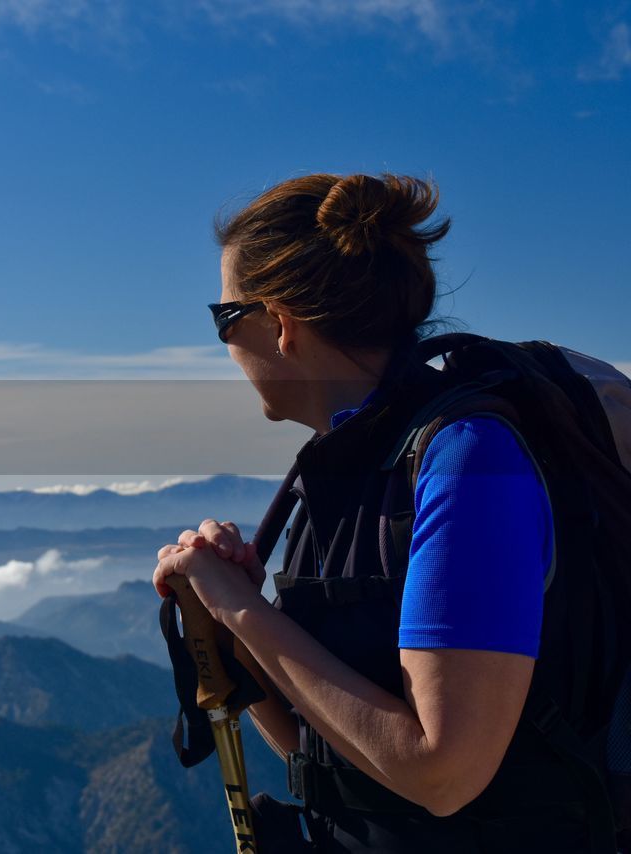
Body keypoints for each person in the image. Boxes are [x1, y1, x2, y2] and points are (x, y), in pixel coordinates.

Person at [152, 173, 617, 852]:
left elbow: (442, 773)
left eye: (226, 318)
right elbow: (338, 757)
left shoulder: (469, 461)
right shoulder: (342, 470)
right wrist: (236, 626)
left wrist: (239, 610)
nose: (223, 345)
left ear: (280, 324)